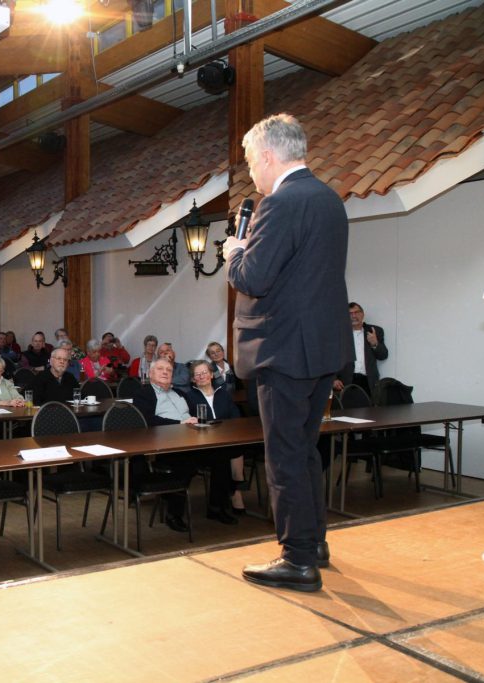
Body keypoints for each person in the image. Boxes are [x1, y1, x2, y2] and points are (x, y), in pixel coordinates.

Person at [223, 113, 351, 593]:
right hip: (321, 348)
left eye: (251, 162)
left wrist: (234, 252)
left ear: (268, 156)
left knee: (284, 456)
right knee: (304, 449)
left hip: (283, 351)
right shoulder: (328, 199)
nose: (252, 171)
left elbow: (253, 278)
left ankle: (297, 560)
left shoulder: (279, 203)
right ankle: (313, 544)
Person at [131, 358, 197, 532]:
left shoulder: (180, 393)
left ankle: (218, 506)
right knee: (185, 462)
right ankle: (174, 514)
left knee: (224, 454)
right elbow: (146, 420)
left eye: (169, 369)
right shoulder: (144, 393)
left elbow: (195, 413)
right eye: (160, 369)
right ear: (150, 373)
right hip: (162, 442)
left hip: (191, 437)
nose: (165, 372)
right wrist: (179, 424)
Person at [181, 360, 240, 523]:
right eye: (197, 374)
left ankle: (226, 499)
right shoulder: (189, 397)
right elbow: (188, 423)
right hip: (201, 445)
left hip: (225, 440)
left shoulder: (223, 394)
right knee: (223, 459)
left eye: (205, 372)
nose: (202, 376)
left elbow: (235, 417)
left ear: (212, 375)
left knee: (235, 451)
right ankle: (219, 506)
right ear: (193, 379)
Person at [334, 302, 388, 397]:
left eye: (356, 312)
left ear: (362, 314)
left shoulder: (375, 331)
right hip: (344, 382)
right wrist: (333, 379)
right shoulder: (338, 334)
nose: (353, 316)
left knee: (370, 407)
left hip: (369, 382)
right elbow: (330, 359)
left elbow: (383, 356)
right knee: (345, 407)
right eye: (350, 313)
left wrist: (375, 343)